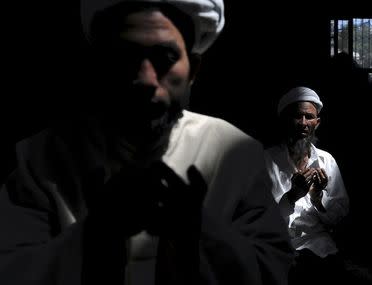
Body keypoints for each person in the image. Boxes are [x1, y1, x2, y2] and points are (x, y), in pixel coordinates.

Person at [0, 1, 294, 284]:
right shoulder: (40, 158)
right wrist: (94, 236)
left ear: (193, 70)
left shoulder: (237, 154)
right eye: (124, 56)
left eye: (164, 58)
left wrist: (201, 233)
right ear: (100, 65)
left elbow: (273, 270)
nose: (145, 79)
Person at [264, 86, 350, 285]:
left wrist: (317, 199)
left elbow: (339, 218)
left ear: (317, 123)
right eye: (297, 116)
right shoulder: (264, 160)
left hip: (319, 247)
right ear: (285, 121)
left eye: (309, 117)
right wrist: (291, 197)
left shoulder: (326, 161)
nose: (303, 123)